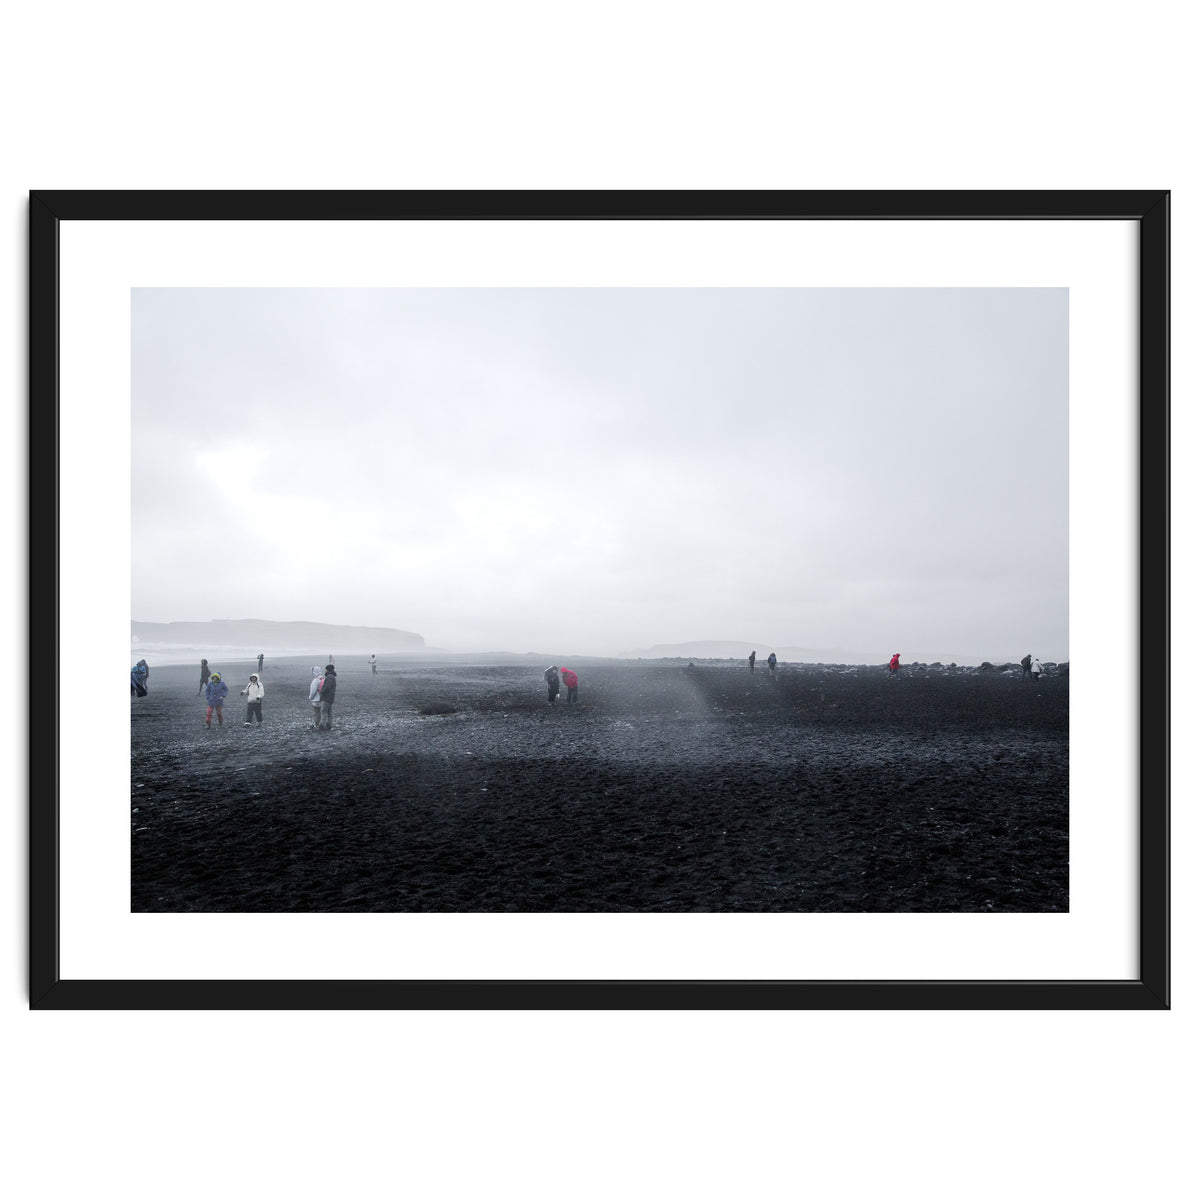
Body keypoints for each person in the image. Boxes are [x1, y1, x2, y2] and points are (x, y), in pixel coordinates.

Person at [318, 663, 337, 730]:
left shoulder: (329, 677)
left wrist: (321, 691)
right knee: (329, 711)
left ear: (328, 670)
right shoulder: (332, 677)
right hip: (330, 697)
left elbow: (327, 687)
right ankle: (329, 725)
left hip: (327, 697)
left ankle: (322, 725)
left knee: (324, 711)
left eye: (325, 669)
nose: (325, 670)